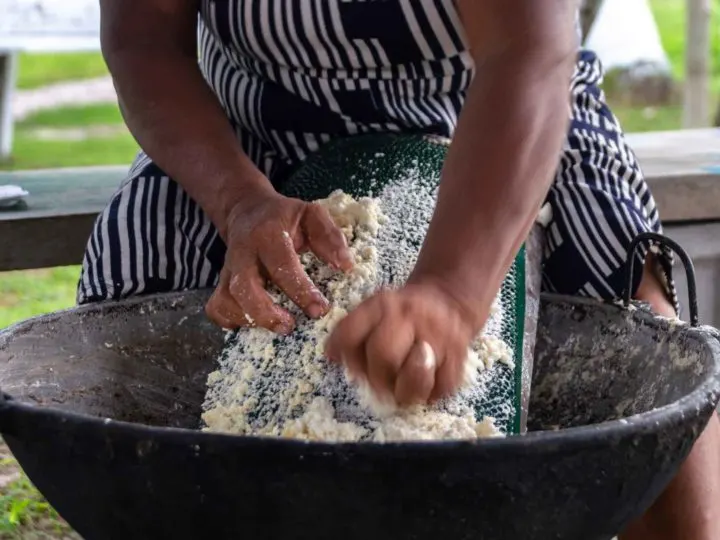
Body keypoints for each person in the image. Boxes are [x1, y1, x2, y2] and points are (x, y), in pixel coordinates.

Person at [83, 1, 718, 538]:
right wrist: (239, 202)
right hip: (249, 129)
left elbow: (528, 52)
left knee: (636, 342)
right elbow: (144, 42)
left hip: (497, 111)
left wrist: (452, 290)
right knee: (134, 295)